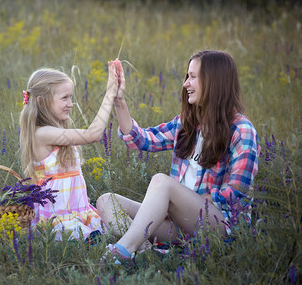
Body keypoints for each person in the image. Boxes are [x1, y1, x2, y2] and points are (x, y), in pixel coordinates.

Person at [96, 50, 260, 262]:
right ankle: (145, 251)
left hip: (220, 228)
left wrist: (174, 202)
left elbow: (237, 195)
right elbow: (142, 140)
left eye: (193, 77)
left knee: (161, 183)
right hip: (179, 225)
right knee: (106, 201)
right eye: (187, 76)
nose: (185, 84)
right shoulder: (187, 123)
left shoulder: (241, 131)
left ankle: (123, 251)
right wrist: (119, 101)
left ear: (214, 82)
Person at [19, 62, 120, 241]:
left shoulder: (54, 132)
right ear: (41, 102)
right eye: (64, 98)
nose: (70, 104)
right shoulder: (42, 134)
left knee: (115, 234)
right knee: (97, 244)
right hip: (58, 220)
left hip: (79, 214)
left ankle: (145, 248)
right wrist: (110, 93)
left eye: (70, 97)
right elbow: (93, 134)